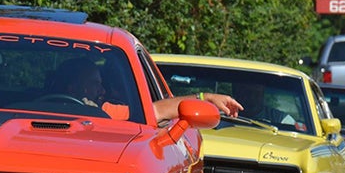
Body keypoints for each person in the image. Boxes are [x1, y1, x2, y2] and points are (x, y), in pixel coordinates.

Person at [52, 58, 241, 122]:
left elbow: (158, 109)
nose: (102, 90)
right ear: (73, 87)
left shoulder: (106, 112)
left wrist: (205, 98)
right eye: (94, 83)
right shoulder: (104, 113)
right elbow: (157, 110)